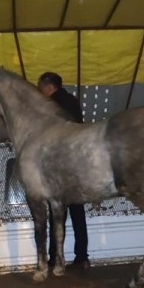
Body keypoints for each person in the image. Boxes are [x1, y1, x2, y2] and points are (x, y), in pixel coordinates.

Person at [37, 71, 90, 269]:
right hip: (77, 162)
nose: (40, 92)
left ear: (49, 87)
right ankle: (82, 256)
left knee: (56, 213)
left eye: (41, 87)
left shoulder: (50, 105)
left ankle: (55, 257)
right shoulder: (73, 101)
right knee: (78, 212)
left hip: (60, 163)